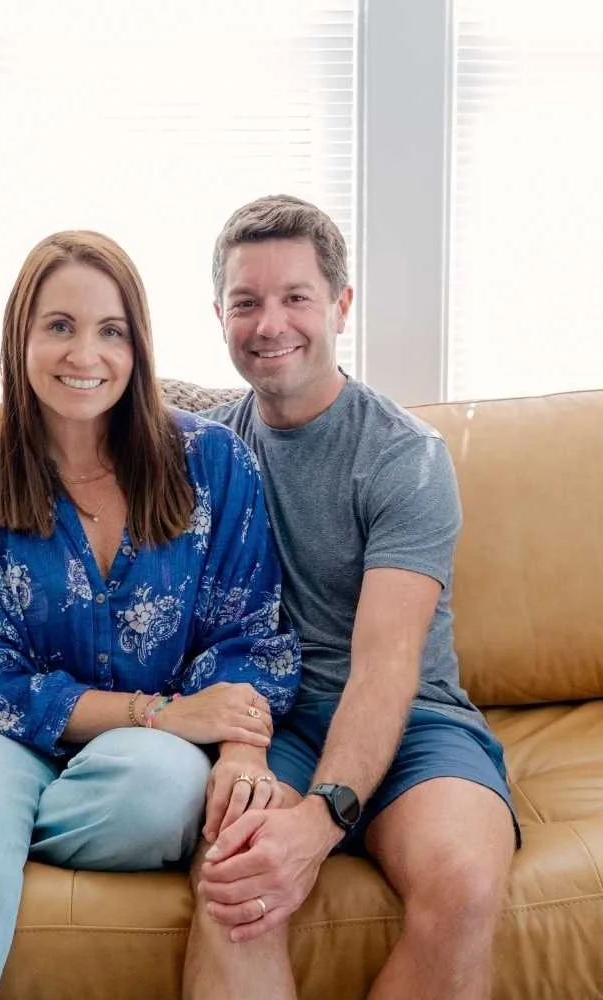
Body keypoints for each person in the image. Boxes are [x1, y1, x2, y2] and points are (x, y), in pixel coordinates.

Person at [0, 230, 300, 1000]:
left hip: (147, 751)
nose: (85, 354)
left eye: (110, 331)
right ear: (21, 338)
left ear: (138, 346)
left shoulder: (215, 463)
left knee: (161, 800)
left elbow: (249, 637)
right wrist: (157, 713)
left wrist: (234, 744)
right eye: (59, 326)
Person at [183, 195, 520, 1000]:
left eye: (296, 297)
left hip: (417, 724)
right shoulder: (208, 454)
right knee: (235, 887)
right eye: (246, 302)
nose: (270, 324)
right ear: (220, 316)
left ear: (340, 305)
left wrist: (320, 818)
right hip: (280, 723)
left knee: (468, 885)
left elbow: (387, 666)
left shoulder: (404, 457)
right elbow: (64, 583)